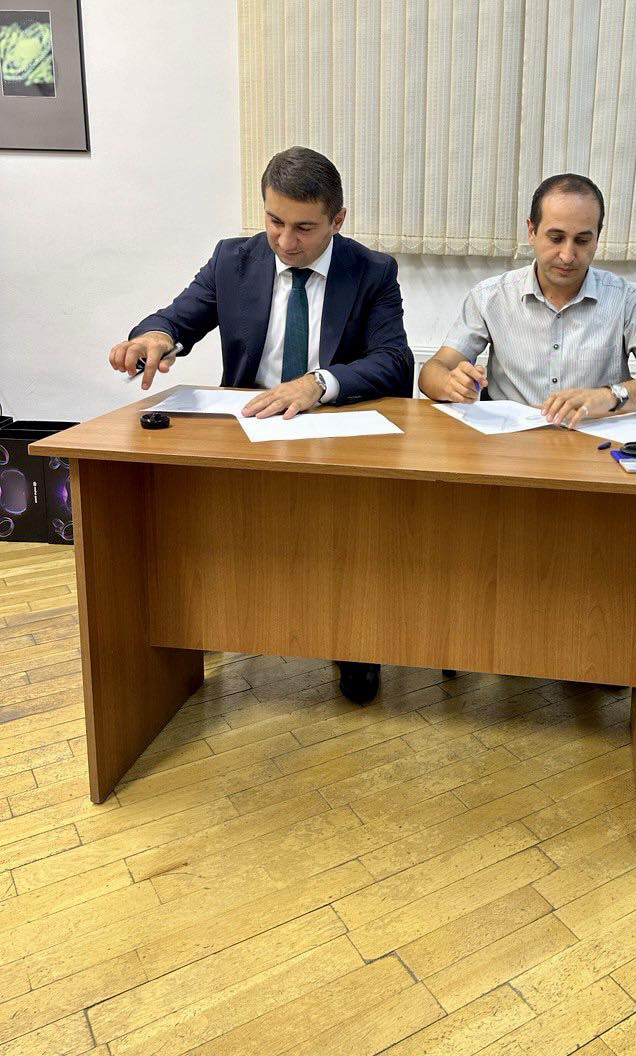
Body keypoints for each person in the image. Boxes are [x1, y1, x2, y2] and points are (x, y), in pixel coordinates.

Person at [108, 145, 414, 703]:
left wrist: (318, 382)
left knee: (349, 536)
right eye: (274, 221)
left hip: (333, 430)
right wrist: (155, 336)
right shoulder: (234, 259)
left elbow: (394, 360)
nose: (285, 240)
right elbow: (178, 319)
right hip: (249, 427)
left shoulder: (371, 270)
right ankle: (204, 621)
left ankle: (354, 643)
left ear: (337, 220)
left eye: (304, 227)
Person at [419, 171, 636, 599]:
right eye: (555, 237)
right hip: (509, 460)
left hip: (595, 459)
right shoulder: (491, 296)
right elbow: (432, 371)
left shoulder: (626, 299)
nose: (568, 255)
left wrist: (610, 397)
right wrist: (450, 382)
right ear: (531, 231)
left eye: (582, 240)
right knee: (461, 553)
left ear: (598, 238)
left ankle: (597, 628)